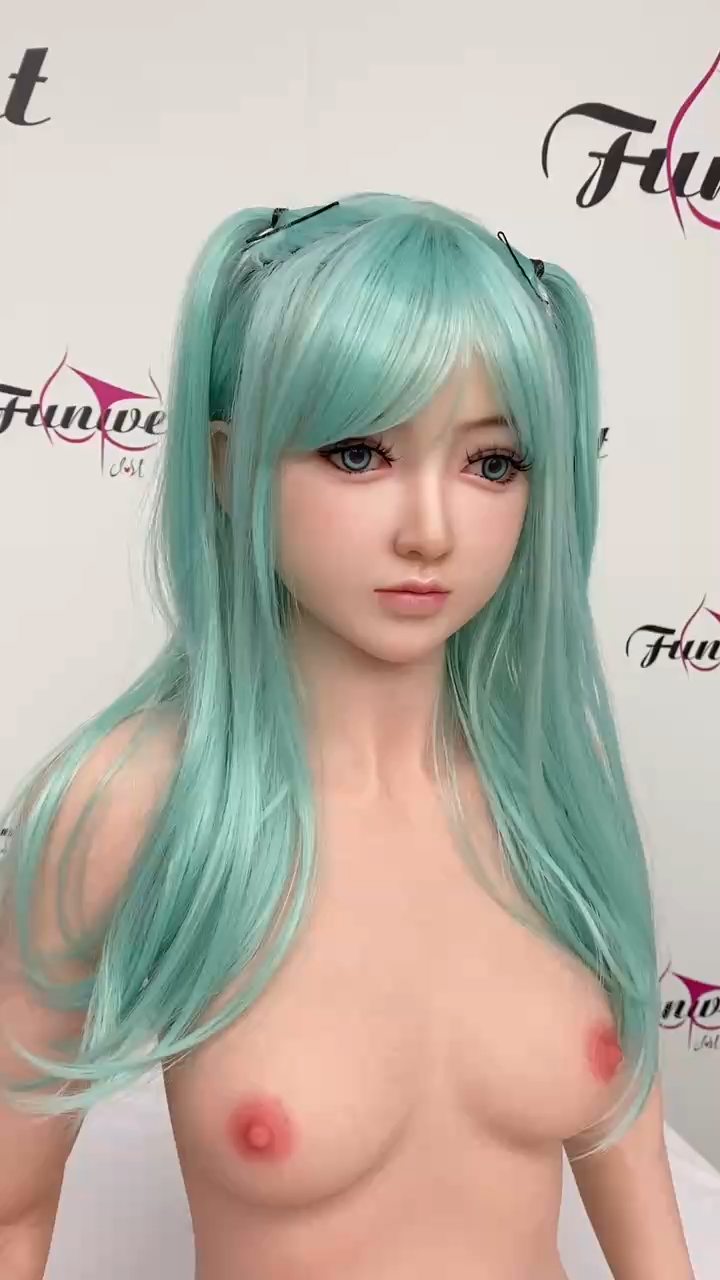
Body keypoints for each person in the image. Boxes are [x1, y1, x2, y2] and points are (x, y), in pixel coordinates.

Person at [0, 193, 695, 1278]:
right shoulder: (128, 802)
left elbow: (640, 1182)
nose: (430, 529)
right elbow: (9, 1210)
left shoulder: (551, 784)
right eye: (360, 453)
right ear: (226, 466)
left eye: (493, 463)